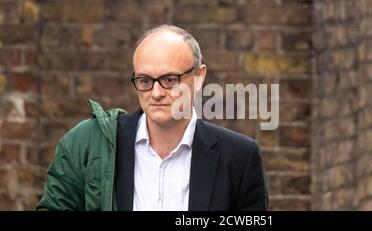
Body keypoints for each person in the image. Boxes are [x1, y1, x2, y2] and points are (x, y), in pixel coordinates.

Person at [37, 24, 268, 211]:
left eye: (169, 80)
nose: (156, 93)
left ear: (199, 77)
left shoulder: (239, 156)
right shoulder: (89, 144)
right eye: (145, 81)